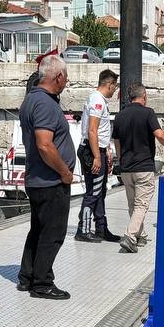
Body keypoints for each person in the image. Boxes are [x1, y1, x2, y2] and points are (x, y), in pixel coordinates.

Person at [17, 54, 76, 298]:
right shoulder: (45, 104)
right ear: (58, 76)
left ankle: (27, 277)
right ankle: (42, 283)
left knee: (38, 230)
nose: (66, 82)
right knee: (52, 233)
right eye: (66, 77)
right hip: (51, 180)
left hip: (37, 179)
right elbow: (44, 145)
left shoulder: (31, 100)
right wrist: (65, 172)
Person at [111, 82, 164, 254]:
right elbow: (159, 134)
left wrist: (121, 159)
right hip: (143, 166)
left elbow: (117, 141)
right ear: (144, 97)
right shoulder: (148, 113)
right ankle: (130, 236)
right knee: (141, 205)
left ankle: (140, 235)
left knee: (132, 204)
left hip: (126, 168)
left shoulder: (120, 115)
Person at [75, 68, 121, 244]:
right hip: (91, 150)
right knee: (93, 192)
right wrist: (96, 156)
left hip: (97, 149)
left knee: (100, 191)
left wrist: (105, 150)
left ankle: (101, 228)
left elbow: (99, 131)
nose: (115, 90)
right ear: (109, 84)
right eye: (114, 86)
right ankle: (83, 229)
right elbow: (92, 130)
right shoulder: (97, 101)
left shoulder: (98, 100)